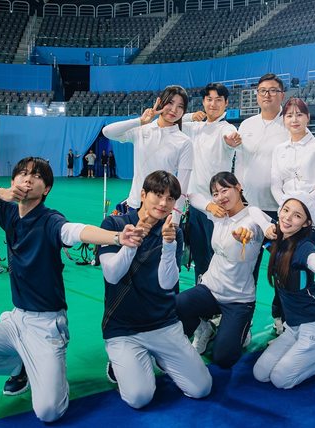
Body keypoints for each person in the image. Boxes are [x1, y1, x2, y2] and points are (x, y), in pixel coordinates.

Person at [0, 157, 139, 423]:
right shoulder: (7, 210)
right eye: (23, 174)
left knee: (50, 411)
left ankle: (47, 372)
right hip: (16, 321)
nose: (28, 179)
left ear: (46, 188)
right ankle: (19, 366)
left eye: (36, 176)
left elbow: (76, 231)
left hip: (47, 326)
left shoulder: (51, 221)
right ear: (13, 181)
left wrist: (117, 237)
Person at [98, 170, 212, 409]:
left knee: (201, 388)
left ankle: (157, 358)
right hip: (123, 328)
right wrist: (131, 244)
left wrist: (169, 245)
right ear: (143, 194)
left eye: (170, 198)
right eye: (158, 195)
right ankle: (120, 361)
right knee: (139, 398)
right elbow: (112, 275)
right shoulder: (115, 224)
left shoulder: (173, 231)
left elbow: (167, 284)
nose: (163, 203)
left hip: (164, 324)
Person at [252, 192, 315, 389]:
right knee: (260, 373)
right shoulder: (277, 240)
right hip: (294, 326)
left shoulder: (304, 247)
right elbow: (253, 210)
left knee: (280, 379)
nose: (288, 218)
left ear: (306, 223)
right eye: (286, 210)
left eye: (297, 215)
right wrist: (266, 227)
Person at [176, 172, 268, 368]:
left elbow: (254, 228)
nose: (220, 197)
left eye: (225, 190)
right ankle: (204, 327)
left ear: (238, 187)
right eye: (215, 193)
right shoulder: (218, 214)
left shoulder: (253, 217)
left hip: (238, 299)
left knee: (224, 358)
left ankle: (242, 329)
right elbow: (191, 196)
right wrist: (209, 206)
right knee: (178, 303)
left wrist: (246, 234)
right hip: (210, 289)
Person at [235, 73, 289, 335]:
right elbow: (240, 163)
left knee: (281, 268)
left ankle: (281, 319)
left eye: (273, 90)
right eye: (262, 90)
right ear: (256, 95)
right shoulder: (246, 125)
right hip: (250, 208)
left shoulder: (290, 123)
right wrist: (239, 197)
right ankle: (242, 323)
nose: (267, 95)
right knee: (246, 268)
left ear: (282, 95)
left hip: (280, 210)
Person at [102, 85, 192, 224]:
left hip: (161, 210)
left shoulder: (184, 142)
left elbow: (182, 187)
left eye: (180, 106)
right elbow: (107, 131)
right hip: (134, 205)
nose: (174, 110)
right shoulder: (142, 130)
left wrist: (175, 220)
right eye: (170, 103)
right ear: (160, 102)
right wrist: (140, 121)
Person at [182, 83, 241, 283]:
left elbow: (230, 136)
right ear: (203, 102)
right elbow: (170, 120)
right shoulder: (194, 128)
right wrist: (191, 116)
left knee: (218, 256)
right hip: (196, 205)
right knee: (200, 257)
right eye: (209, 99)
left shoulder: (227, 128)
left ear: (226, 103)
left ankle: (219, 295)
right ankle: (202, 293)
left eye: (218, 100)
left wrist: (232, 140)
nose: (213, 104)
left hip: (218, 207)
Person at [271, 97, 315, 252]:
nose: (294, 120)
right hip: (286, 219)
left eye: (299, 114)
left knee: (308, 259)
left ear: (308, 117)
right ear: (284, 120)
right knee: (285, 261)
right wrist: (288, 207)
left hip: (313, 217)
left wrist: (303, 205)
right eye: (289, 115)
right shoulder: (279, 149)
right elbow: (275, 186)